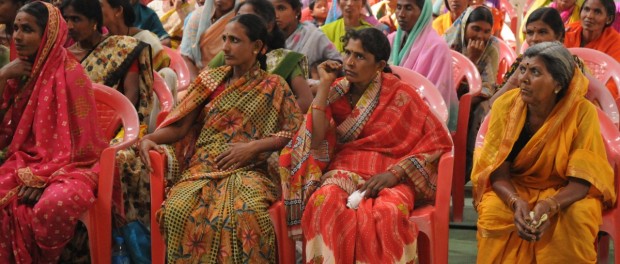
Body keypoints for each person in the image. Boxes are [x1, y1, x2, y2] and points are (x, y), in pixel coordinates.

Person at [139, 14, 302, 262]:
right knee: (177, 210)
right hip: (203, 166)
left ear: (257, 47)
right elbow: (181, 127)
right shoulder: (209, 80)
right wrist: (151, 138)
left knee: (246, 213)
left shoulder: (274, 85)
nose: (225, 47)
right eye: (225, 38)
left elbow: (294, 130)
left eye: (234, 40)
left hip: (251, 169)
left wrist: (253, 147)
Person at [280, 27, 453, 263]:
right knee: (324, 202)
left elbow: (438, 139)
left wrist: (394, 174)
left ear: (380, 65)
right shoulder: (337, 90)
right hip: (344, 170)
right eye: (347, 53)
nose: (349, 62)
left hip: (391, 174)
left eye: (360, 57)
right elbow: (316, 138)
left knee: (387, 213)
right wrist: (324, 86)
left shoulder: (401, 93)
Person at [472, 41, 615, 264]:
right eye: (523, 69)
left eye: (535, 71)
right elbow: (498, 174)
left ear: (557, 84)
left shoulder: (582, 112)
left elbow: (581, 182)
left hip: (565, 191)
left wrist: (549, 206)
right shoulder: (505, 107)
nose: (523, 79)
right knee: (494, 212)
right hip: (516, 186)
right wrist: (516, 203)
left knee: (577, 218)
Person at [0, 2, 107, 262]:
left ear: (47, 34)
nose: (18, 36)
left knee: (54, 204)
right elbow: (4, 133)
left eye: (27, 29)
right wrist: (2, 75)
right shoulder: (21, 70)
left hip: (72, 166)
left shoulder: (71, 74)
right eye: (16, 28)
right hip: (24, 160)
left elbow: (86, 148)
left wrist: (46, 177)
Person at [209, 0, 314, 112]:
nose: (239, 23)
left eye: (249, 19)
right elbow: (201, 88)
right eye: (238, 17)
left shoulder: (284, 60)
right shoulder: (227, 53)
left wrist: (265, 117)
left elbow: (306, 101)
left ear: (269, 25)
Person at [444, 5, 499, 182]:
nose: (480, 36)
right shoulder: (448, 43)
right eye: (475, 28)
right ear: (465, 26)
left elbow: (488, 86)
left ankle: (470, 168)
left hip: (476, 99)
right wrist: (470, 59)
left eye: (486, 31)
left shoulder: (492, 47)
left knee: (481, 111)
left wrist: (469, 98)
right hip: (448, 95)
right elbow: (444, 82)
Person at [389, 0, 456, 130]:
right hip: (392, 108)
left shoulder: (437, 48)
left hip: (421, 115)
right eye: (398, 7)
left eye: (408, 8)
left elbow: (436, 96)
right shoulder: (392, 40)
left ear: (423, 13)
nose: (401, 14)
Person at [564, 0, 620, 97]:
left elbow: (613, 83)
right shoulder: (567, 31)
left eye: (597, 12)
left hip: (595, 99)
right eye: (586, 9)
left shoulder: (616, 43)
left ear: (609, 19)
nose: (589, 16)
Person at [271, 0, 341, 68]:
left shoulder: (314, 36)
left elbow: (338, 62)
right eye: (271, 9)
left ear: (297, 11)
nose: (275, 15)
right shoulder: (266, 39)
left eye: (281, 8)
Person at [180, 0, 236, 81]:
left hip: (226, 78)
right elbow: (186, 56)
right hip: (196, 76)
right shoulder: (198, 15)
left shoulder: (239, 20)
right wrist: (196, 83)